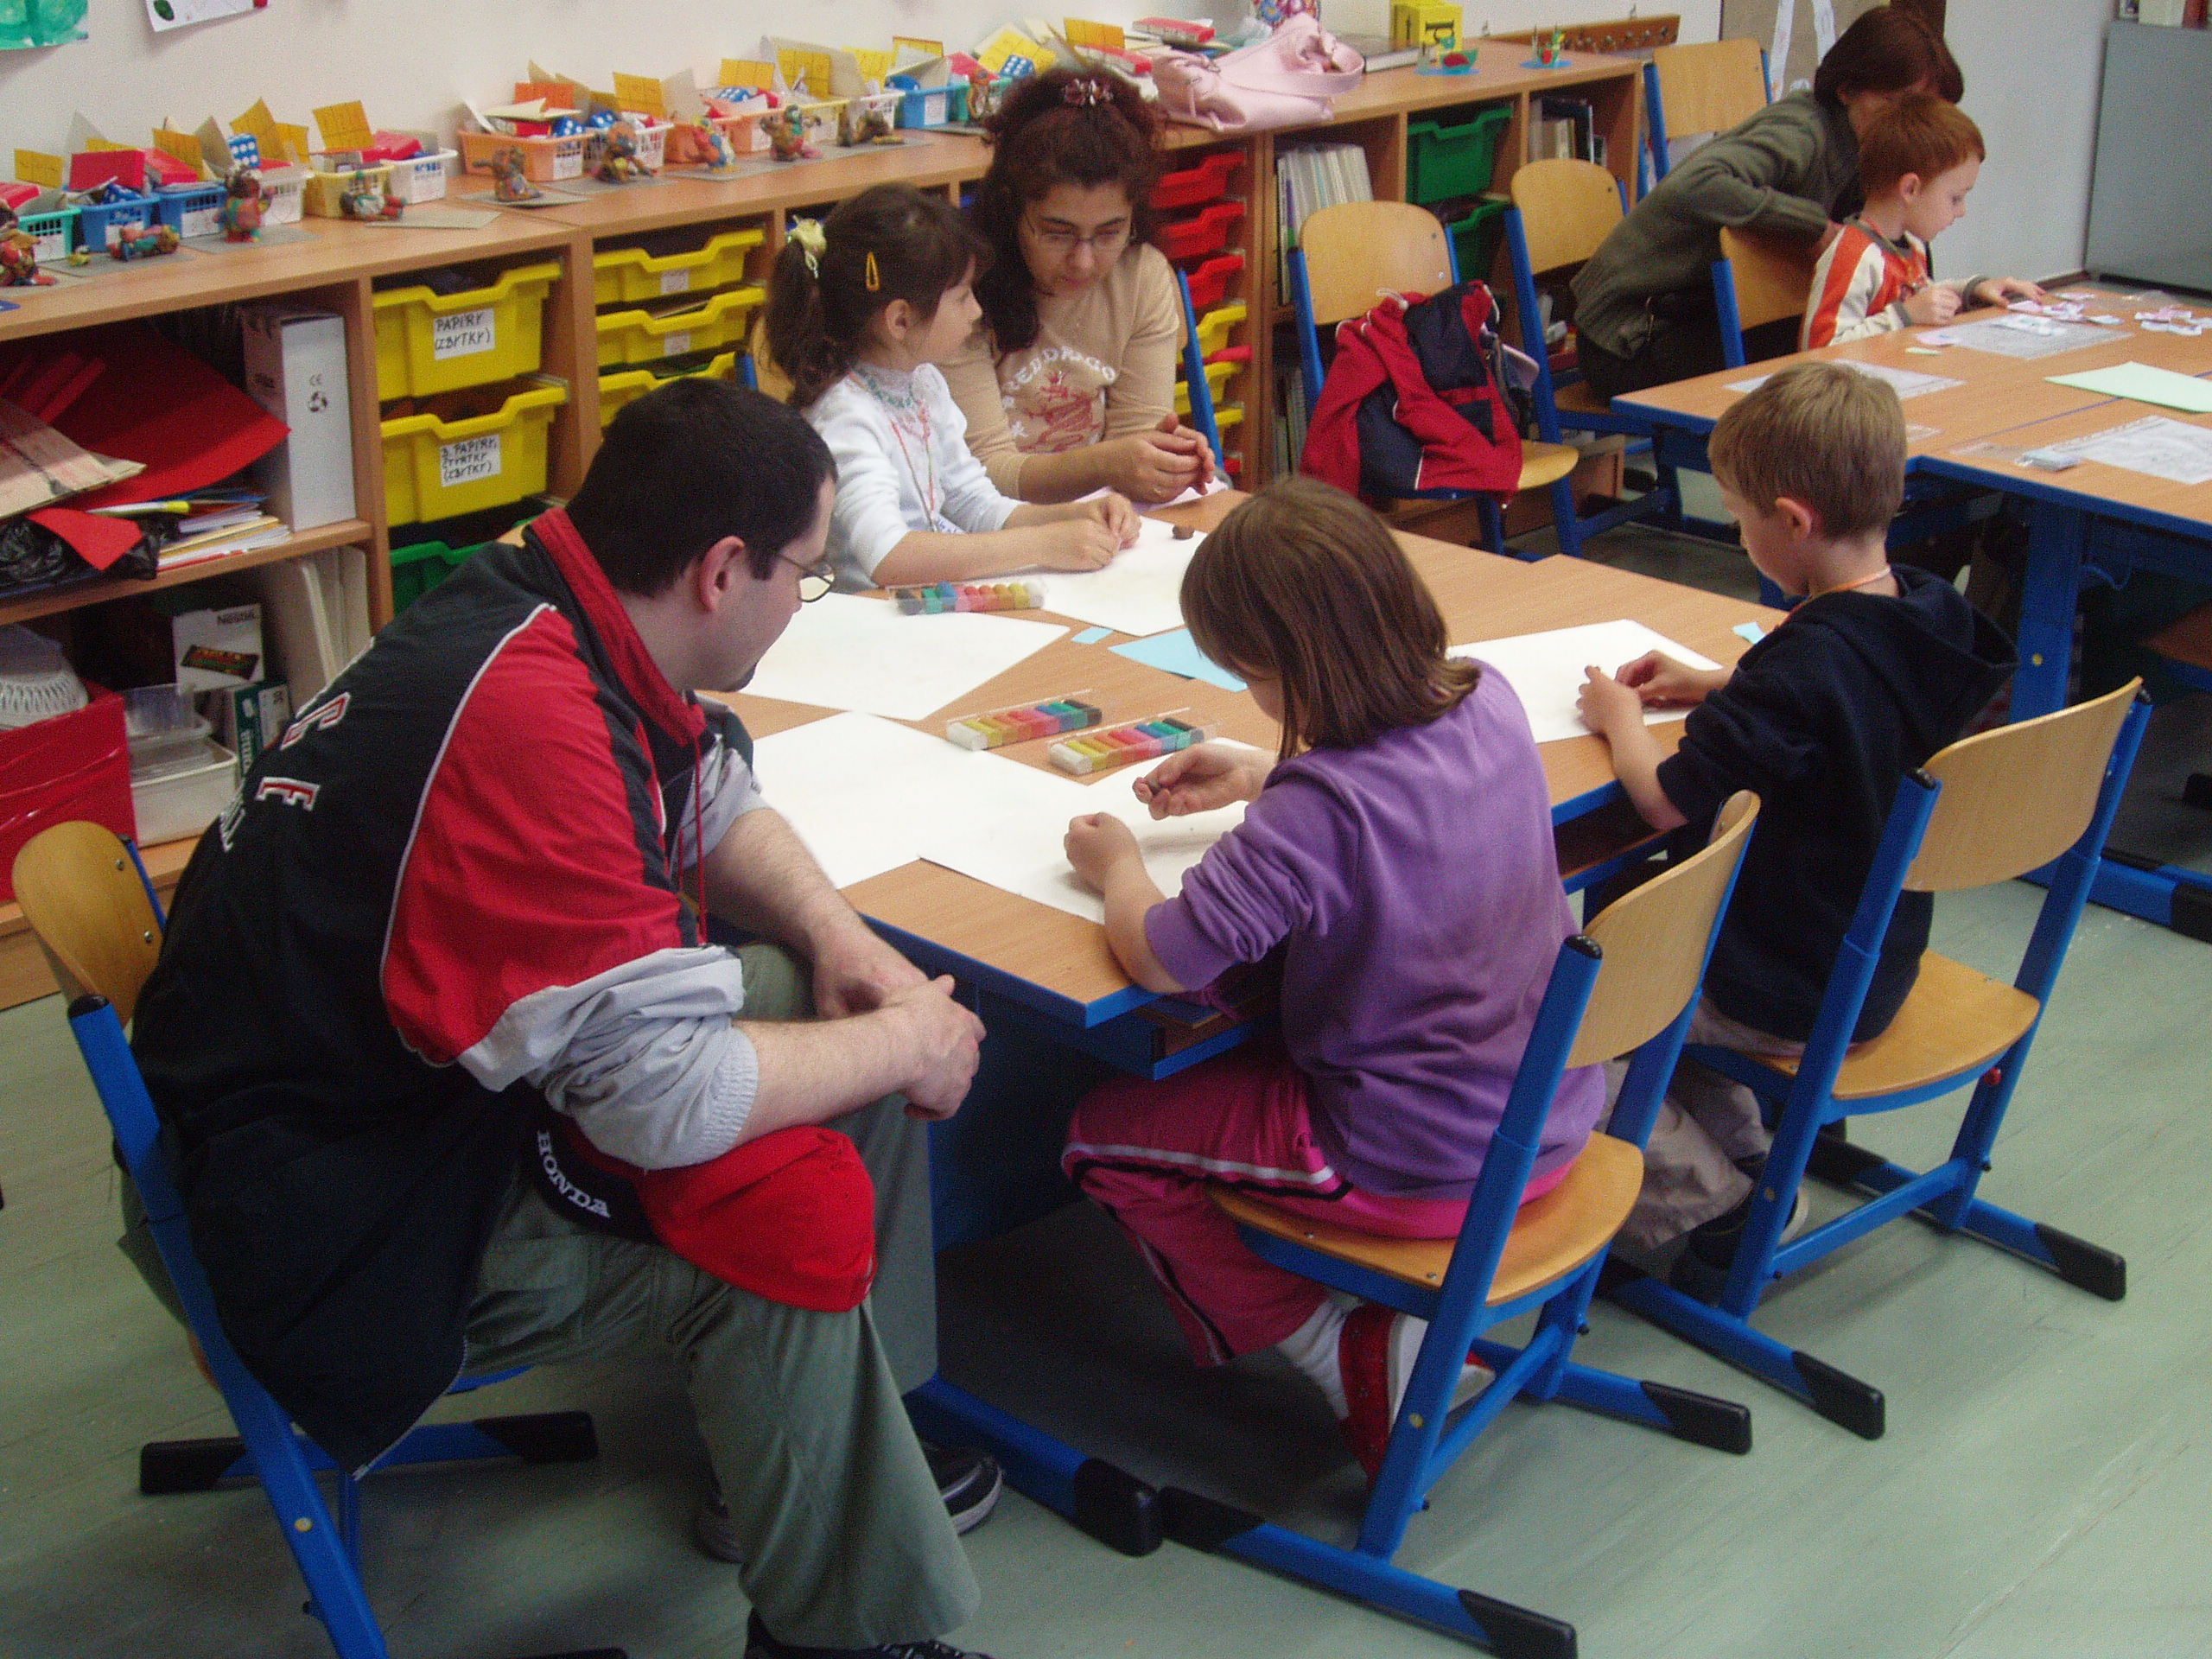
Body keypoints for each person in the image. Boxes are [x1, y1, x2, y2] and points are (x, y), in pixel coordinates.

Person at [130, 380, 1002, 1659]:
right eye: (805, 576)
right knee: (782, 1229)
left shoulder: (536, 594)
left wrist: (842, 940)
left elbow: (701, 786)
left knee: (802, 994)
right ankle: (841, 1633)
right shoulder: (532, 725)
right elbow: (657, 1103)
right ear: (722, 571)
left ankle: (845, 1440)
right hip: (335, 1226)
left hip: (308, 1107)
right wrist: (908, 1040)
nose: (799, 600)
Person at [1056, 477, 1605, 1477]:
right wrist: (1264, 777)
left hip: (1418, 1159)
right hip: (1550, 1113)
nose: (1252, 698)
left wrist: (1117, 867)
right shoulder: (1486, 695)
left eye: (1249, 675)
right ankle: (1369, 1322)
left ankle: (1333, 1347)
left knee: (1103, 1133)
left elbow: (1163, 954)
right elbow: (1398, 804)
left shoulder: (1316, 814)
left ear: (1287, 669)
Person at [1574, 364, 2014, 1276]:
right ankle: (1749, 1152)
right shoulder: (1928, 611)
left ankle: (1716, 1210)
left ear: (1792, 521)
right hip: (1872, 954)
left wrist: (1620, 722)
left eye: (1740, 517)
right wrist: (1721, 683)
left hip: (1785, 985)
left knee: (1566, 1027)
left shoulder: (1806, 665)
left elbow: (1662, 798)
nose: (1741, 535)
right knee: (1642, 936)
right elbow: (1846, 696)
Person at [1573, 8, 1965, 399]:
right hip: (1629, 337)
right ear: (1847, 90)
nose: (1909, 123)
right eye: (1896, 103)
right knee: (1822, 370)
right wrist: (1814, 226)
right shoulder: (1804, 131)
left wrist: (1966, 291)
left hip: (1691, 320)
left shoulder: (1866, 147)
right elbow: (1698, 183)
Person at [765, 181, 1138, 590]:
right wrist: (1043, 544)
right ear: (901, 320)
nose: (976, 311)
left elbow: (974, 502)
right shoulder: (845, 415)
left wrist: (1078, 514)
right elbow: (890, 558)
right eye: (961, 297)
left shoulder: (922, 380)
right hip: (872, 613)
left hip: (924, 602)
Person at [944, 67, 1217, 506]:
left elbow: (1136, 437)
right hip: (993, 520)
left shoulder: (1141, 275)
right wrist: (1111, 463)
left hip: (1100, 508)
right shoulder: (959, 292)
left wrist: (1163, 463)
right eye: (1057, 233)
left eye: (1110, 232)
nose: (1084, 262)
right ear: (1012, 209)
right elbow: (984, 476)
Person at [1801, 93, 2045, 348]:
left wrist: (1973, 289)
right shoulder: (1853, 255)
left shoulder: (1911, 243)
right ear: (1910, 189)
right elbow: (1819, 349)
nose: (1962, 211)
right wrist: (1904, 316)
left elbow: (1921, 296)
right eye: (1955, 198)